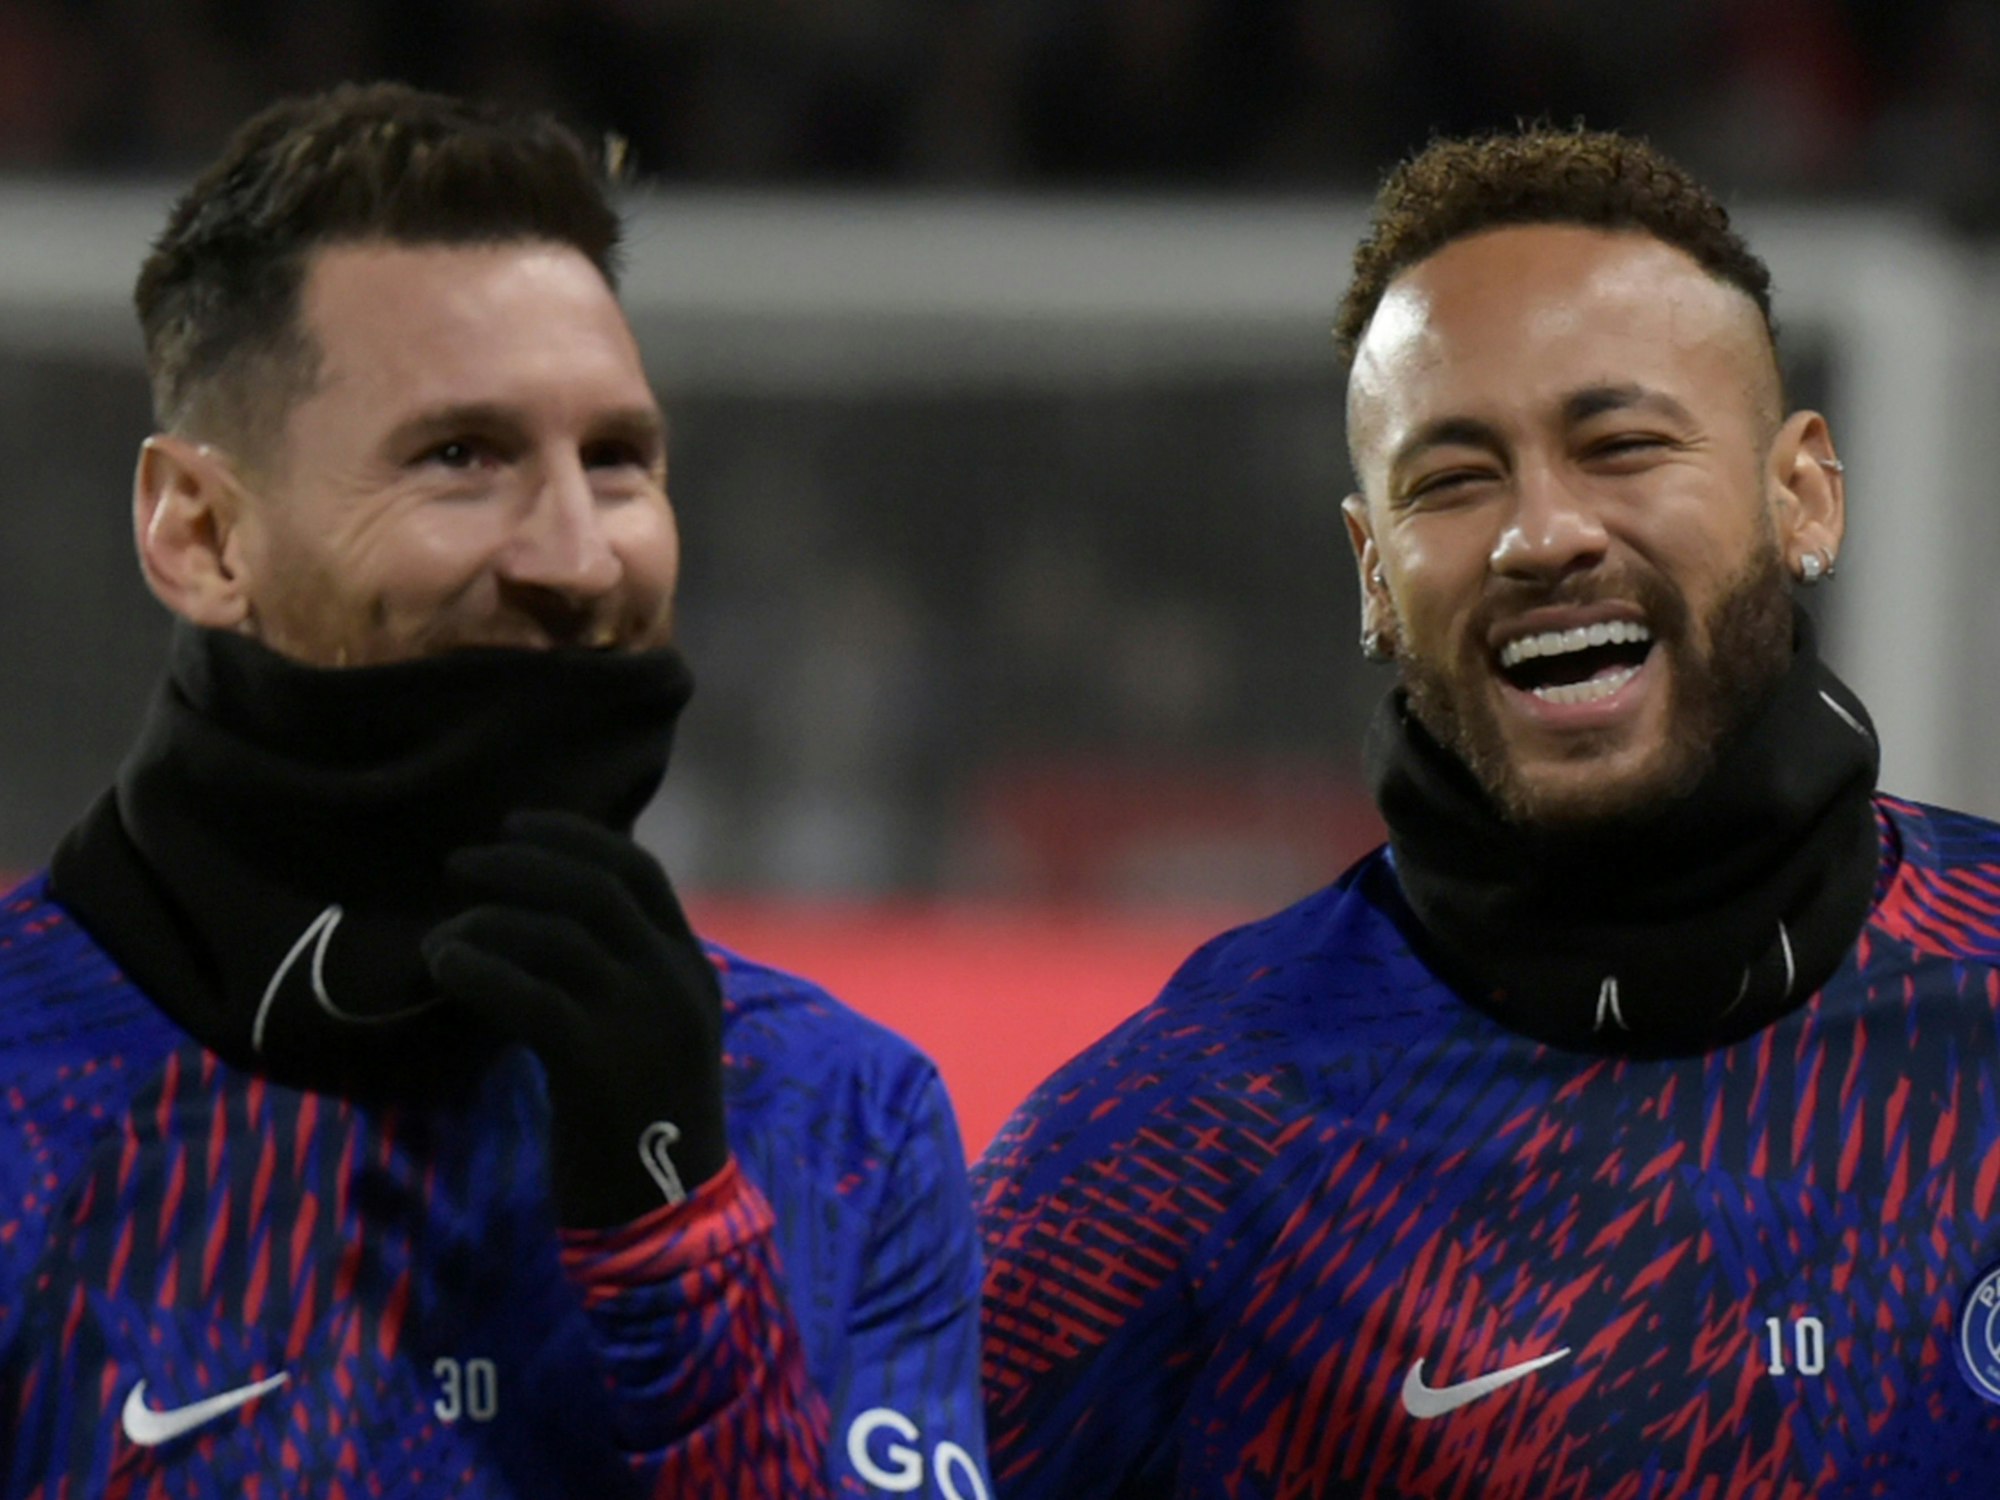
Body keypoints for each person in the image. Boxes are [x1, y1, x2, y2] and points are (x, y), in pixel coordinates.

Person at [973, 124, 2000, 1497]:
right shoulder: (1176, 1147)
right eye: (1454, 480)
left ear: (1802, 492)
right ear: (1372, 572)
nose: (1540, 536)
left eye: (1621, 443)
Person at [0, 83, 990, 1498]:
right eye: (460, 456)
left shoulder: (841, 1121)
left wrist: (676, 1237)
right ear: (202, 531)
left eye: (618, 461)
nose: (579, 557)